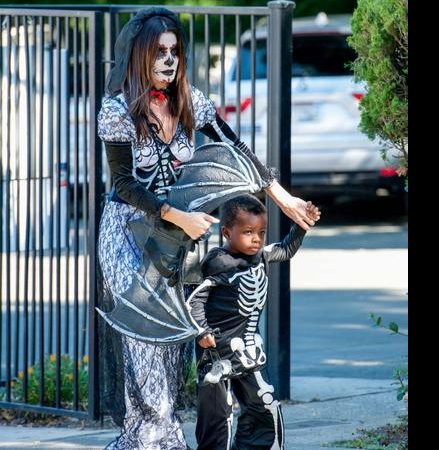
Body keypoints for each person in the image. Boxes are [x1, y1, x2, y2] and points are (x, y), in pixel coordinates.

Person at [96, 7, 320, 449]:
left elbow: (238, 150)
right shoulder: (117, 109)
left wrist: (286, 200)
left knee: (175, 337)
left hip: (173, 239)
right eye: (160, 51)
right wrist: (177, 215)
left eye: (175, 51)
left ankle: (153, 436)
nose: (169, 60)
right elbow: (122, 181)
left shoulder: (190, 101)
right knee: (146, 337)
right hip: (126, 231)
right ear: (141, 55)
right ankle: (153, 438)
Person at [187, 194, 312, 450]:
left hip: (248, 350)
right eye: (247, 232)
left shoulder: (261, 256)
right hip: (215, 351)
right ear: (226, 232)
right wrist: (202, 331)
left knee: (264, 404)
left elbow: (287, 248)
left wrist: (302, 224)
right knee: (218, 415)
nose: (256, 238)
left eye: (261, 232)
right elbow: (195, 300)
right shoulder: (219, 263)